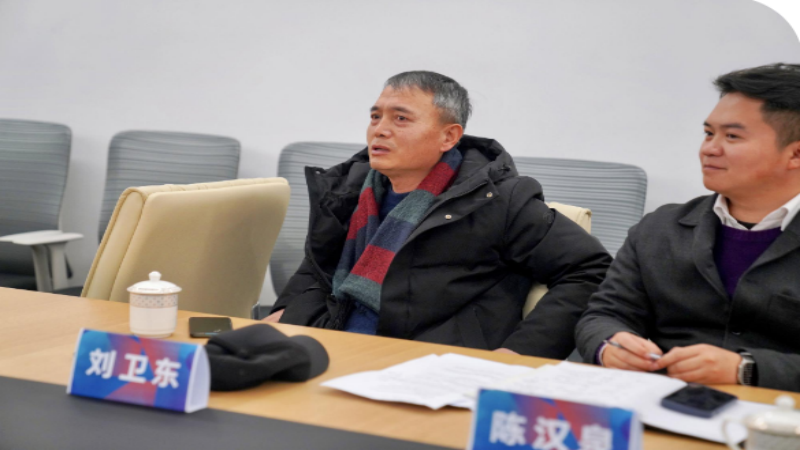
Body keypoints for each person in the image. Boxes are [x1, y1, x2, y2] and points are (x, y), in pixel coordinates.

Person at [265, 70, 611, 358]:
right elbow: (318, 265)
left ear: (449, 136)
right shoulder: (349, 189)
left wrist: (519, 354)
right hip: (330, 340)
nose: (379, 129)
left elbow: (589, 271)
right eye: (375, 116)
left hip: (426, 362)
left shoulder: (497, 199)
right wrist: (285, 312)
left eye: (401, 118)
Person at [576, 63, 800, 391]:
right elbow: (604, 314)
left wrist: (747, 369)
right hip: (660, 399)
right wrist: (610, 345)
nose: (709, 148)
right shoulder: (661, 227)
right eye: (709, 133)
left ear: (795, 154)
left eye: (732, 136)